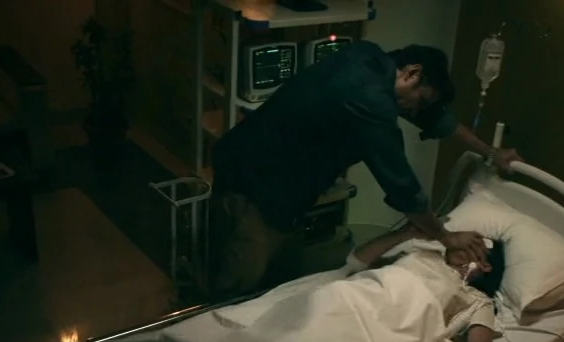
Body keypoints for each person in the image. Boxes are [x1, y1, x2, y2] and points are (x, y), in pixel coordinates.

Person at [208, 40, 523, 298]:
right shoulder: (369, 100)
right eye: (421, 100)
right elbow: (403, 188)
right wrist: (445, 236)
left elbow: (434, 119)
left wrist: (489, 152)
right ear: (412, 73)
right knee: (240, 275)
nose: (416, 112)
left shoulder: (367, 57)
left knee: (272, 277)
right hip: (254, 185)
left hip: (268, 175)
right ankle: (206, 331)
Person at [343, 223, 507, 342]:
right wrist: (404, 234)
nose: (464, 247)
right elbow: (355, 262)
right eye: (465, 242)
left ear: (485, 266)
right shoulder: (422, 255)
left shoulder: (477, 300)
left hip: (395, 327)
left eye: (475, 247)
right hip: (357, 299)